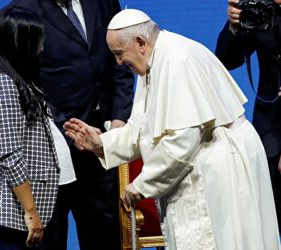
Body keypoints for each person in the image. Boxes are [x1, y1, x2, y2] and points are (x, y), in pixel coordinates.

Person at [64, 9, 281, 250]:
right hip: (204, 160)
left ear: (140, 42)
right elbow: (142, 128)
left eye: (119, 53)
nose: (119, 62)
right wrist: (102, 143)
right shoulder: (154, 61)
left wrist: (141, 185)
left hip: (222, 165)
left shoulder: (177, 59)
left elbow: (182, 142)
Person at [7, 1, 135, 249]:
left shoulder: (102, 3)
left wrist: (119, 121)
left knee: (105, 234)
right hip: (51, 143)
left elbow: (119, 62)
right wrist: (65, 127)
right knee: (51, 237)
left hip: (100, 139)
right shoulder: (24, 8)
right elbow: (22, 78)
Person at [0, 6, 60, 249]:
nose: (41, 48)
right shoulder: (2, 83)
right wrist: (30, 211)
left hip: (17, 207)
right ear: (18, 43)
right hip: (12, 209)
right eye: (35, 41)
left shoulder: (11, 76)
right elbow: (10, 153)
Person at [216, 0, 281, 232]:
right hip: (272, 132)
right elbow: (226, 60)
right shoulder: (263, 9)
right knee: (270, 223)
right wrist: (235, 25)